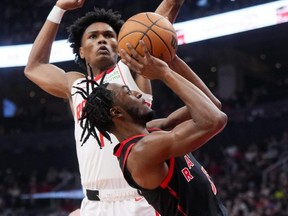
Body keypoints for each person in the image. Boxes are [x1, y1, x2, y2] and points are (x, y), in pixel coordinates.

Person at [24, 0, 184, 215]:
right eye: (93, 36)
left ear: (120, 45)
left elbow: (157, 21)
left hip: (139, 198)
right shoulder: (75, 85)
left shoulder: (130, 68)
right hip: (94, 203)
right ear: (81, 51)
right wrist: (59, 8)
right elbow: (34, 67)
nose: (102, 40)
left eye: (109, 36)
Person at [76, 40, 228, 216]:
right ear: (116, 112)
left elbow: (212, 105)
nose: (137, 93)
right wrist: (165, 73)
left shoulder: (151, 130)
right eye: (128, 92)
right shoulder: (141, 152)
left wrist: (172, 60)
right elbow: (215, 120)